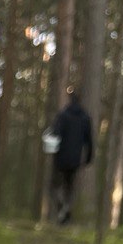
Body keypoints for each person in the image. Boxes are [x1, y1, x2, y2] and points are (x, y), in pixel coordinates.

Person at [50, 88, 93, 225]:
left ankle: (63, 210)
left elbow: (55, 134)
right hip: (75, 158)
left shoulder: (63, 115)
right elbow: (89, 140)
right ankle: (65, 210)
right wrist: (88, 157)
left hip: (61, 157)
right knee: (70, 186)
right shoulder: (85, 117)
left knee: (57, 185)